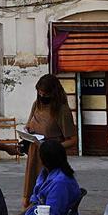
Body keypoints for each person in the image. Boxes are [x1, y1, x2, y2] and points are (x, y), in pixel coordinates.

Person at [21, 75, 78, 206]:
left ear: (53, 93)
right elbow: (28, 125)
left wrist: (54, 147)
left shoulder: (62, 110)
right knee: (31, 188)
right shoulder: (36, 105)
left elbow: (73, 140)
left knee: (48, 191)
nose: (42, 96)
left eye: (45, 94)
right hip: (34, 152)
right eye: (39, 93)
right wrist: (26, 132)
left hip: (51, 156)